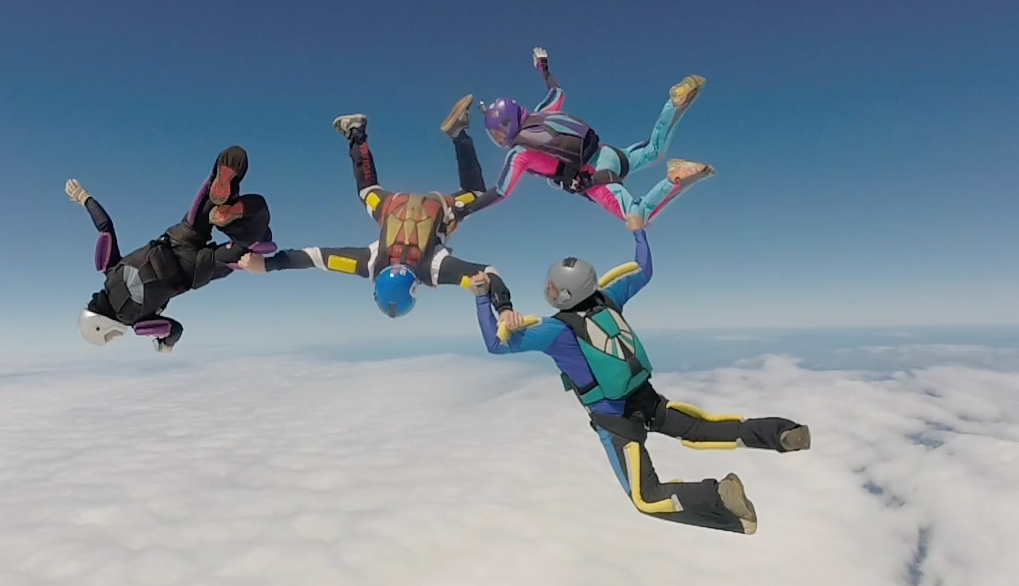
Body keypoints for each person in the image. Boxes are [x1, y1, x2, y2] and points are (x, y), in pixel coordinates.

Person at [468, 214, 811, 534]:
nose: (550, 293)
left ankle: (718, 498)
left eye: (554, 289)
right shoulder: (609, 299)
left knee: (646, 498)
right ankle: (783, 433)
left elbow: (495, 346)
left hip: (615, 419)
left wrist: (484, 298)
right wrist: (637, 230)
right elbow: (644, 270)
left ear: (565, 294)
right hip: (647, 399)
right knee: (703, 428)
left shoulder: (554, 330)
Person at [237, 95, 515, 319]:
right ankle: (356, 132)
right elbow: (313, 257)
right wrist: (267, 265)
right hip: (390, 205)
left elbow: (489, 274)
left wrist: (504, 311)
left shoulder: (432, 270)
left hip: (439, 208)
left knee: (475, 193)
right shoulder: (369, 264)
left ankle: (460, 134)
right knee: (367, 189)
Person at [458, 47, 715, 224]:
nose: (499, 140)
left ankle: (676, 179)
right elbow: (558, 91)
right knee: (654, 151)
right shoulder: (542, 112)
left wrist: (466, 210)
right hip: (608, 153)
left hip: (594, 177)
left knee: (637, 216)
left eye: (497, 134)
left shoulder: (520, 153)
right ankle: (674, 104)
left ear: (505, 127)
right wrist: (543, 68)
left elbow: (501, 191)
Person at [69, 146, 276, 352]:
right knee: (204, 207)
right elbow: (105, 227)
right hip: (175, 240)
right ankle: (220, 189)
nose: (114, 336)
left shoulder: (139, 324)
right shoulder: (108, 269)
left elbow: (175, 329)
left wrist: (165, 345)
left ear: (101, 325)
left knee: (246, 253)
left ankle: (252, 229)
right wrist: (84, 197)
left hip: (194, 271)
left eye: (109, 336)